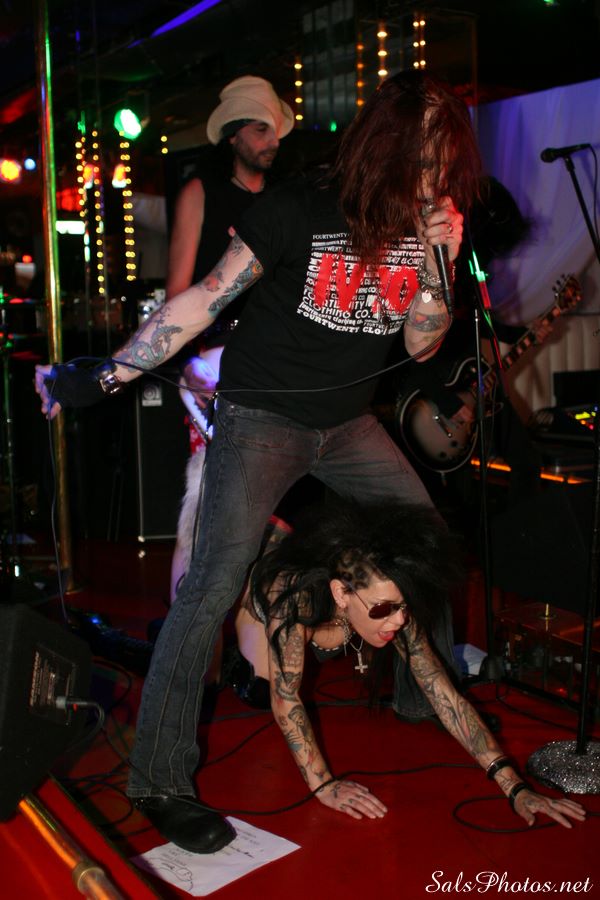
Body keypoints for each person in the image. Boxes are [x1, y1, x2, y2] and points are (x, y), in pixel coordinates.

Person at [37, 71, 484, 853]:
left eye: (444, 164)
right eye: (422, 160)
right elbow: (201, 302)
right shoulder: (298, 209)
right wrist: (101, 377)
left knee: (425, 538)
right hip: (261, 418)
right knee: (212, 585)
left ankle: (420, 695)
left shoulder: (425, 234)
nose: (433, 179)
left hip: (346, 423)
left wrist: (441, 260)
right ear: (383, 150)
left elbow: (420, 344)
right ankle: (159, 781)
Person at [246, 499, 585, 827]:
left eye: (404, 606)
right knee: (257, 685)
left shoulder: (392, 606)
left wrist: (515, 788)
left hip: (321, 601)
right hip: (255, 575)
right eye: (383, 608)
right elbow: (286, 698)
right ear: (341, 593)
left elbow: (445, 696)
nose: (399, 620)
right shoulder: (295, 603)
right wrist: (324, 785)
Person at [166, 76, 293, 603]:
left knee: (269, 506)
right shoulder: (202, 194)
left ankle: (252, 629)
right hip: (216, 365)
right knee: (207, 503)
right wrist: (189, 364)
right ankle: (184, 629)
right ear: (234, 135)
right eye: (260, 129)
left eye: (275, 130)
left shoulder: (287, 200)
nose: (271, 140)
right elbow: (178, 292)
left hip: (275, 366)